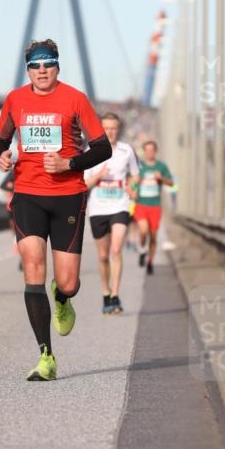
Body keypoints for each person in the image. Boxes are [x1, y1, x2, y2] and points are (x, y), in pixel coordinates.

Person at [0, 38, 111, 381]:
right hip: (27, 193)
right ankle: (46, 356)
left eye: (48, 63)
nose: (42, 70)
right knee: (32, 266)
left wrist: (69, 162)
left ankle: (63, 297)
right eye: (35, 65)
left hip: (68, 195)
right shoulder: (15, 99)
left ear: (57, 66)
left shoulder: (75, 98)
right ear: (27, 69)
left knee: (69, 281)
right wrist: (0, 154)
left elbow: (103, 148)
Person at [84, 113, 139, 315]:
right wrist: (98, 175)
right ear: (100, 129)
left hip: (120, 205)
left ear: (119, 129)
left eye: (114, 128)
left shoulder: (127, 151)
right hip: (98, 208)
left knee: (116, 250)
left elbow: (135, 174)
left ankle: (115, 295)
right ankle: (106, 293)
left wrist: (133, 187)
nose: (110, 132)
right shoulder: (90, 150)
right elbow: (83, 183)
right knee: (103, 255)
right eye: (106, 128)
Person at [132, 139, 173, 275]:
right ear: (144, 152)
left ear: (155, 151)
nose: (149, 152)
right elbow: (131, 181)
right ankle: (142, 249)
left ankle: (150, 262)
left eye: (152, 150)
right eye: (147, 150)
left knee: (153, 237)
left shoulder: (161, 166)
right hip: (141, 204)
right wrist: (133, 188)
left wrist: (161, 178)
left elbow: (172, 183)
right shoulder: (139, 166)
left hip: (155, 206)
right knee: (143, 230)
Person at [0, 167, 22, 270]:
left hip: (26, 205)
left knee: (25, 233)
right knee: (15, 231)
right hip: (12, 205)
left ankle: (23, 258)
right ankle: (16, 241)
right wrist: (13, 187)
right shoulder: (14, 171)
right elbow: (2, 185)